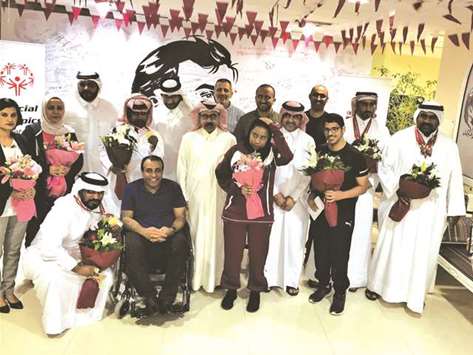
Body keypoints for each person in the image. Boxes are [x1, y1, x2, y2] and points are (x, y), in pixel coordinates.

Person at [366, 101, 465, 313]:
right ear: (416, 116)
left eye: (432, 117)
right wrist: (397, 189)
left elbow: (455, 178)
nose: (427, 121)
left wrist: (455, 210)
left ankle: (414, 295)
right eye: (424, 116)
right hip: (401, 204)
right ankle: (380, 286)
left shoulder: (449, 146)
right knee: (392, 247)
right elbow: (385, 167)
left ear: (439, 120)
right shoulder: (399, 139)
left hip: (430, 210)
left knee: (422, 252)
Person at [215, 118, 293, 312]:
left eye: (263, 137)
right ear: (248, 133)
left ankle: (256, 290)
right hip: (235, 212)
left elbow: (288, 156)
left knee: (259, 253)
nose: (258, 140)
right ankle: (231, 289)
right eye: (255, 135)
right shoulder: (236, 151)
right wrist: (237, 189)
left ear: (269, 139)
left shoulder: (272, 154)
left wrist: (275, 129)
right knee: (233, 254)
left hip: (262, 213)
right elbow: (221, 173)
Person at [22, 172, 113, 335]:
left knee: (106, 276)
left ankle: (86, 316)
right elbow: (49, 246)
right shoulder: (64, 208)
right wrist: (76, 267)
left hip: (80, 254)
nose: (96, 196)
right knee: (56, 280)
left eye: (99, 193)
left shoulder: (100, 207)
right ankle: (55, 324)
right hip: (46, 255)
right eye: (90, 192)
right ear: (80, 190)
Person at [307, 113, 368, 316]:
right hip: (320, 211)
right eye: (327, 129)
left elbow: (363, 186)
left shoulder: (355, 156)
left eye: (334, 129)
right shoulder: (320, 152)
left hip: (343, 213)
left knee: (340, 253)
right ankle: (323, 284)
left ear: (342, 129)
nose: (330, 133)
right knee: (321, 250)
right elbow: (313, 180)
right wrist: (312, 194)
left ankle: (339, 292)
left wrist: (341, 195)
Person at [177, 101, 236, 292]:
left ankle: (216, 278)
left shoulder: (229, 139)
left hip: (220, 196)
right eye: (205, 116)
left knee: (218, 237)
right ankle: (194, 279)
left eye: (213, 116)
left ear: (220, 118)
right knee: (196, 235)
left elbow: (234, 170)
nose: (209, 119)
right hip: (195, 198)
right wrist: (184, 197)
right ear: (199, 117)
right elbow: (181, 168)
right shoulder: (188, 138)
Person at [121, 155, 187, 315]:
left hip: (167, 236)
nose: (154, 175)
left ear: (162, 171)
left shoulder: (173, 188)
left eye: (157, 171)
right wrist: (145, 232)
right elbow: (126, 218)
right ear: (142, 172)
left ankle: (167, 297)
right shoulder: (131, 189)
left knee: (181, 241)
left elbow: (180, 218)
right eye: (149, 171)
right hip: (142, 237)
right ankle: (148, 296)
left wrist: (170, 230)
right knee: (130, 242)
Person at [264, 101, 315, 296]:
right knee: (272, 239)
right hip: (273, 198)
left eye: (296, 117)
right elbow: (264, 167)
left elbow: (309, 173)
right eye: (287, 116)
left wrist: (293, 197)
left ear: (301, 119)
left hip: (297, 202)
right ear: (282, 116)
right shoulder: (271, 137)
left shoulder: (308, 140)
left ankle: (292, 280)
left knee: (296, 240)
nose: (291, 120)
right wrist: (275, 193)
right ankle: (268, 278)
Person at [343, 92, 391, 292]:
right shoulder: (344, 126)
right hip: (341, 188)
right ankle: (327, 274)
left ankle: (354, 278)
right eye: (364, 104)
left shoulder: (383, 131)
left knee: (360, 232)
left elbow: (386, 162)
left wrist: (370, 182)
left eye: (372, 104)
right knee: (337, 231)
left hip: (366, 190)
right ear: (356, 105)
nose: (368, 108)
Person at [23, 95, 84, 247]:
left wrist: (67, 169)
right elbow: (24, 159)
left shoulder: (69, 132)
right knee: (35, 231)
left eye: (59, 108)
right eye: (51, 108)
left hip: (63, 191)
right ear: (44, 109)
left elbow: (79, 160)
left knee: (60, 229)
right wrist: (47, 169)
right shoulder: (33, 131)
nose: (55, 112)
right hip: (38, 193)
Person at [100, 95, 164, 216]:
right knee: (117, 215)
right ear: (128, 114)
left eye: (143, 113)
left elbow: (158, 158)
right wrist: (113, 167)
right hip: (118, 180)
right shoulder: (116, 131)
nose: (139, 116)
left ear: (148, 115)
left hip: (143, 184)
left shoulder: (154, 135)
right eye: (135, 113)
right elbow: (103, 152)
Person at [0, 98, 35, 313]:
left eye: (13, 115)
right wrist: (10, 189)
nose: (9, 119)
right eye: (4, 114)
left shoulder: (21, 140)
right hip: (1, 206)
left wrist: (32, 188)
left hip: (22, 205)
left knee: (14, 250)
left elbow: (31, 168)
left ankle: (9, 290)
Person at [64, 71, 118, 172]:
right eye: (82, 84)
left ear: (98, 86)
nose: (86, 88)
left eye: (91, 85)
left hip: (103, 168)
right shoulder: (66, 109)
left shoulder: (109, 109)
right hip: (73, 168)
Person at [304, 84, 331, 287]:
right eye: (316, 95)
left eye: (323, 96)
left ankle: (313, 271)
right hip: (297, 179)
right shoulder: (299, 117)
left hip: (319, 183)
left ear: (326, 99)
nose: (319, 98)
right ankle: (294, 266)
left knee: (317, 228)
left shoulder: (329, 121)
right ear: (310, 96)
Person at [151, 77, 193, 181]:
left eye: (173, 97)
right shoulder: (156, 113)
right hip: (162, 167)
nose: (170, 101)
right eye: (166, 97)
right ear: (161, 96)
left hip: (185, 167)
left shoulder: (191, 114)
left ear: (180, 95)